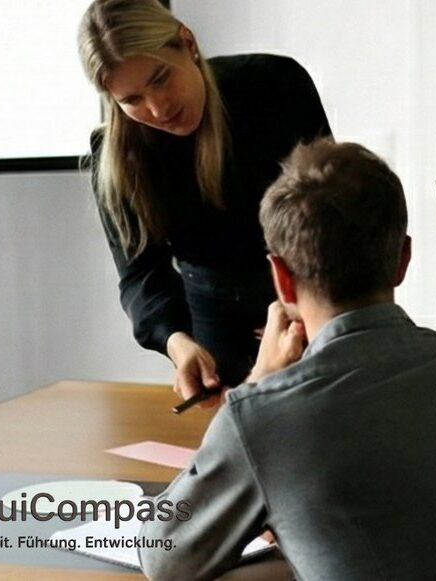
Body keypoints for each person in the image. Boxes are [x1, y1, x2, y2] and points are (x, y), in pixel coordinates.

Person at [138, 140, 436, 580]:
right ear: (402, 260)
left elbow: (163, 559)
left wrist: (259, 381)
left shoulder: (264, 421)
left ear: (281, 280)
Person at [77, 0, 331, 395]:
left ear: (187, 42)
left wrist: (304, 304)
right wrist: (176, 341)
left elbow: (327, 210)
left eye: (161, 78)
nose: (158, 109)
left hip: (306, 297)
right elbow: (140, 273)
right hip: (212, 312)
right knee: (228, 439)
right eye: (132, 100)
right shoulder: (112, 156)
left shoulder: (275, 85)